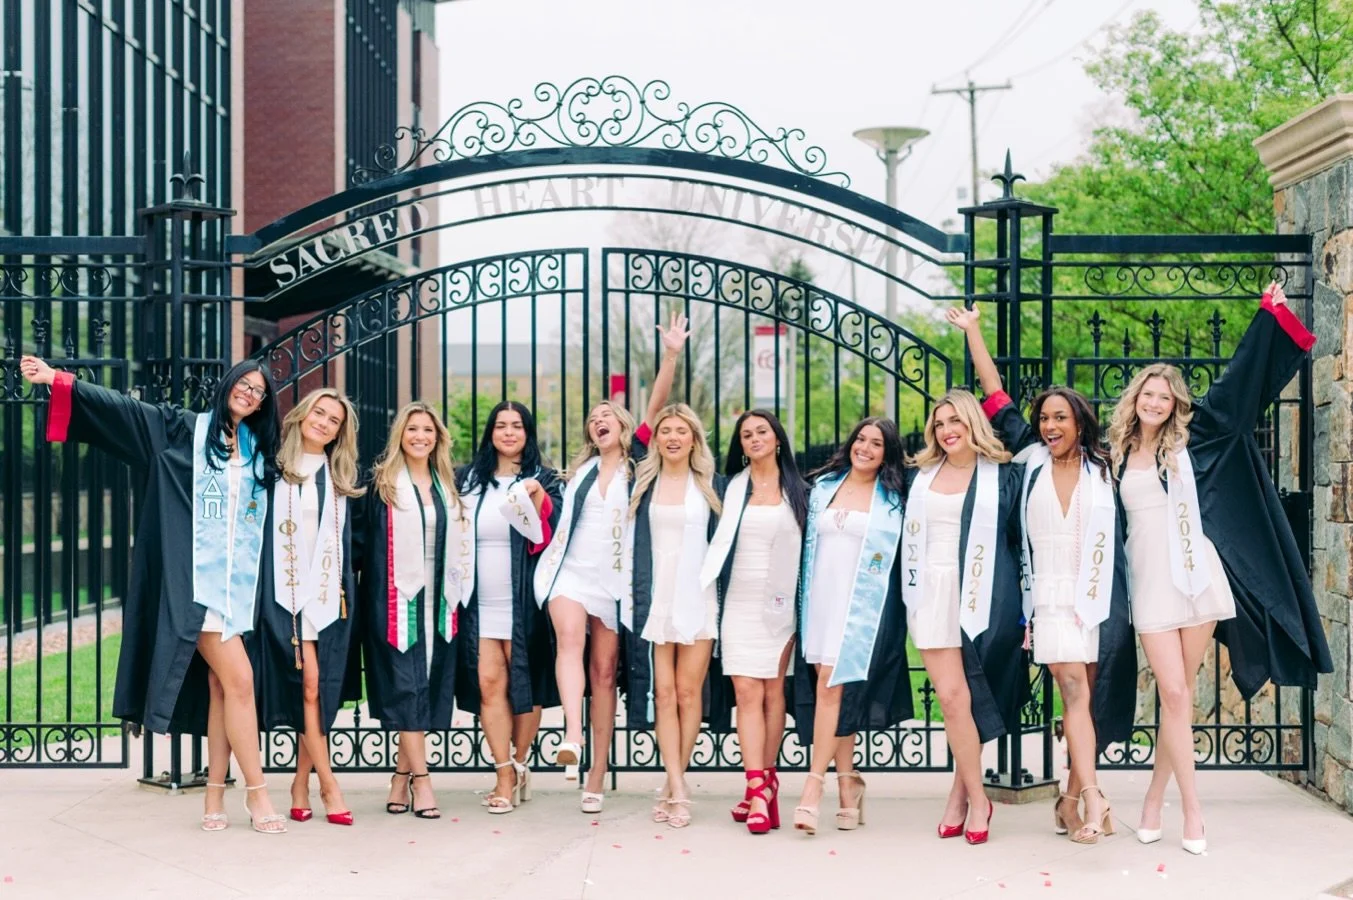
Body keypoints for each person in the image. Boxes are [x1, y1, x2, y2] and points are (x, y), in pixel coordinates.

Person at [1106, 282, 1330, 855]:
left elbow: (1236, 387)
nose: (1153, 403)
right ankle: (1185, 809)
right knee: (1175, 694)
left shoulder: (1196, 439)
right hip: (1152, 586)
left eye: (1163, 397)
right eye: (1146, 395)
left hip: (1198, 576)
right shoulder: (1112, 456)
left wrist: (1268, 315)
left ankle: (1165, 805)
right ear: (1134, 399)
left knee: (1177, 699)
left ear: (1174, 403)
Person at [19, 354, 286, 834]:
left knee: (223, 688)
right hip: (195, 588)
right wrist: (60, 381)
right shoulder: (184, 430)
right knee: (241, 681)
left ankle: (213, 796)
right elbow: (126, 409)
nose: (249, 394)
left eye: (258, 391)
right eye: (243, 384)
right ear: (228, 385)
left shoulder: (256, 450)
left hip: (237, 591)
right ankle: (259, 794)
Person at [949, 306, 1136, 845]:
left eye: (1060, 418)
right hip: (1048, 597)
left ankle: (1070, 798)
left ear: (1079, 422)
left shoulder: (1108, 467)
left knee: (1089, 697)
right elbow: (994, 394)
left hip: (1099, 598)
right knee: (1073, 687)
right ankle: (1096, 798)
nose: (1050, 426)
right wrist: (974, 332)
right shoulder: (1028, 458)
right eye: (1045, 419)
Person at [533, 312, 689, 813]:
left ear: (623, 428)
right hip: (571, 573)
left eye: (608, 416)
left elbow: (658, 402)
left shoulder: (639, 461)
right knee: (568, 639)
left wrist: (669, 355)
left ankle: (596, 772)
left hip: (616, 582)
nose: (599, 421)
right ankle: (571, 736)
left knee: (604, 674)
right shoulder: (574, 472)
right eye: (593, 419)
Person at [901, 390, 1025, 845]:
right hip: (929, 589)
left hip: (982, 589)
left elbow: (1018, 542)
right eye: (939, 424)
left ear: (972, 422)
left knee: (973, 698)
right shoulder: (918, 477)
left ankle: (961, 797)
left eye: (955, 420)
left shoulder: (1005, 476)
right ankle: (979, 797)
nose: (947, 430)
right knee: (952, 700)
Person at [791, 417, 914, 836]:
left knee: (830, 686)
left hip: (861, 605)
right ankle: (849, 785)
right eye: (860, 439)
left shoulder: (895, 498)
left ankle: (812, 789)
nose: (865, 447)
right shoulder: (824, 487)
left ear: (887, 453)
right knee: (833, 692)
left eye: (876, 443)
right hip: (821, 602)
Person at [254, 388, 365, 826]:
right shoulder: (271, 470)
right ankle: (327, 784)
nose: (323, 422)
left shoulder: (338, 480)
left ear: (340, 432)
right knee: (309, 685)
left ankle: (302, 784)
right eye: (319, 413)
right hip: (283, 593)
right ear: (302, 415)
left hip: (323, 597)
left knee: (315, 688)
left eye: (333, 420)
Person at [360, 401, 471, 820]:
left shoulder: (449, 484)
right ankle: (422, 781)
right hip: (392, 600)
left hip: (439, 600)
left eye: (427, 430)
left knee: (424, 686)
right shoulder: (382, 485)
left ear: (438, 437)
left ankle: (399, 777)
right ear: (400, 437)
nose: (420, 436)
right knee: (406, 685)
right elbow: (362, 544)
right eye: (412, 430)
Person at [700, 409, 807, 835]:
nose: (754, 438)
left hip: (780, 602)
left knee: (772, 691)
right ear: (740, 445)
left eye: (762, 431)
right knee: (746, 692)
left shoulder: (800, 489)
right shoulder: (730, 489)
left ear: (777, 438)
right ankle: (758, 786)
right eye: (746, 434)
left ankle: (763, 785)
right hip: (739, 601)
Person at [453, 401, 562, 814]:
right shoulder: (469, 481)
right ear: (491, 433)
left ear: (528, 432)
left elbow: (551, 533)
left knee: (525, 687)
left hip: (525, 604)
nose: (509, 433)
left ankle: (519, 761)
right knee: (489, 685)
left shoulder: (544, 480)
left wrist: (536, 496)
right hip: (480, 602)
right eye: (501, 425)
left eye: (517, 426)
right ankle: (504, 774)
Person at [627, 403, 725, 829]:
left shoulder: (711, 486)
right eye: (665, 430)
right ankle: (676, 784)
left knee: (689, 695)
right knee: (663, 695)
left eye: (680, 431)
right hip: (658, 596)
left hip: (698, 595)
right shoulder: (642, 483)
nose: (671, 437)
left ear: (693, 439)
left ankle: (675, 783)